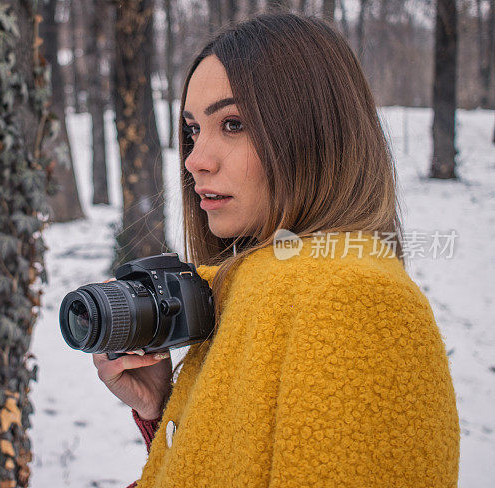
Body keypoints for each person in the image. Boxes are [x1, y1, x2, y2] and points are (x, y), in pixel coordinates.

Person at [91, 12, 460, 488]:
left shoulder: (356, 303)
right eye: (193, 130)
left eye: (234, 123)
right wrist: (164, 410)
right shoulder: (250, 287)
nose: (194, 159)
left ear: (313, 133)